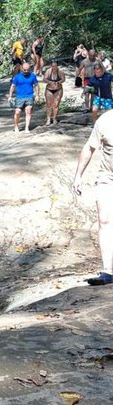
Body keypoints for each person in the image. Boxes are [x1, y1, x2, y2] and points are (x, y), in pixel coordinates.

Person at [72, 108, 113, 285]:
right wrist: (78, 176)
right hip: (108, 178)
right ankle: (108, 272)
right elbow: (89, 147)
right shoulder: (105, 120)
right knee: (104, 220)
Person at [8, 61, 40, 133]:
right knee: (17, 112)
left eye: (27, 70)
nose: (26, 71)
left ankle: (26, 128)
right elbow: (12, 86)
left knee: (28, 111)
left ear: (30, 69)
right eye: (24, 69)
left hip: (29, 96)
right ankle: (16, 126)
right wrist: (10, 96)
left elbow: (36, 85)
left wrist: (37, 95)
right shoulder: (17, 77)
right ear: (22, 68)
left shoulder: (32, 76)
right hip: (19, 97)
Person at [42, 59, 65, 125]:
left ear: (57, 66)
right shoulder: (48, 71)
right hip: (49, 89)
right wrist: (50, 82)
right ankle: (48, 119)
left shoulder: (60, 71)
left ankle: (55, 118)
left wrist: (58, 82)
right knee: (49, 104)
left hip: (58, 89)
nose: (54, 68)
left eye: (55, 66)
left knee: (56, 104)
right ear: (51, 66)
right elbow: (44, 79)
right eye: (53, 66)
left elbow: (63, 79)